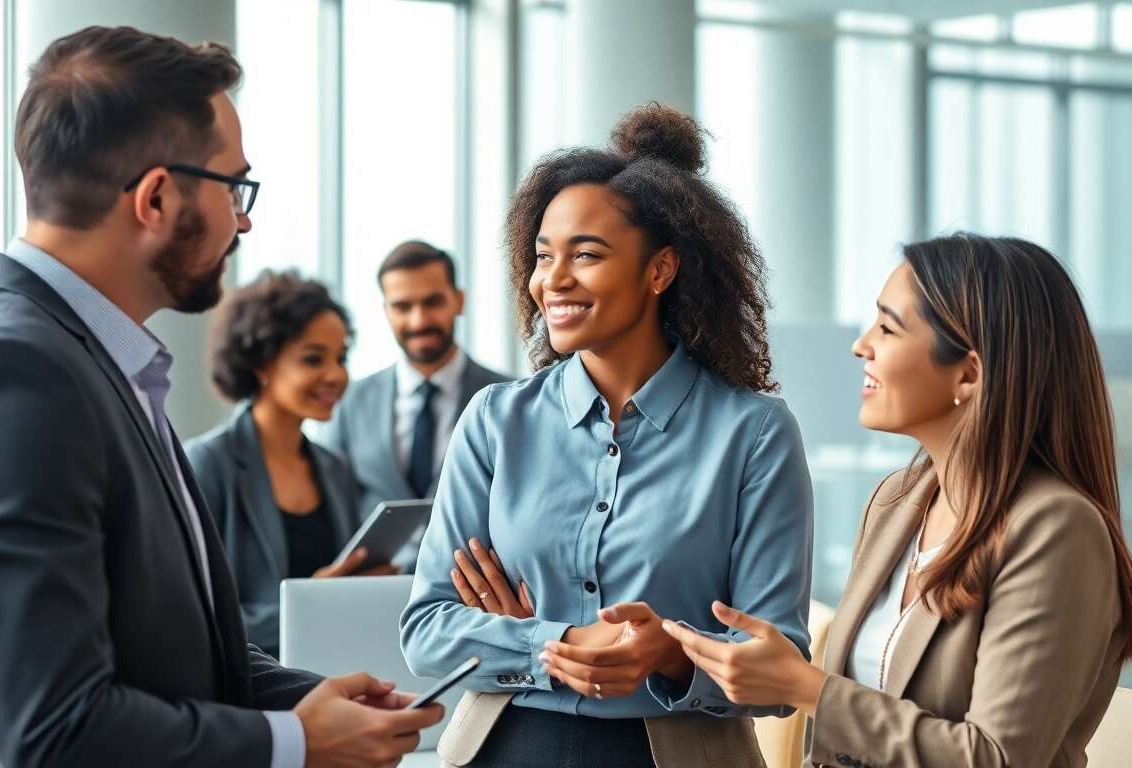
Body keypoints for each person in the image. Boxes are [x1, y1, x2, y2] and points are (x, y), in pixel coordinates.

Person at [0, 26, 440, 768]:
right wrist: (298, 743)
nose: (244, 219)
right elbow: (52, 731)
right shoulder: (12, 378)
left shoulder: (88, 359)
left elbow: (162, 655)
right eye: (234, 187)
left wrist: (307, 702)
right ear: (157, 197)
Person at [399, 103, 814, 768]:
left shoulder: (754, 434)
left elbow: (781, 664)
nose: (552, 281)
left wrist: (672, 657)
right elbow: (427, 630)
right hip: (505, 747)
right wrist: (556, 643)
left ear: (660, 270)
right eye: (542, 256)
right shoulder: (495, 421)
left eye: (586, 255)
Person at [662, 233, 1132, 768]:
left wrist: (809, 689)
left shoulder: (1056, 528)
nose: (862, 345)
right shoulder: (895, 503)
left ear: (969, 373)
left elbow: (997, 758)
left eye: (888, 327)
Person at [186, 270, 398, 658]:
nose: (335, 375)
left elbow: (343, 601)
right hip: (247, 691)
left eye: (341, 358)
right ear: (261, 363)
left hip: (327, 675)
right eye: (313, 358)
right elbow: (192, 615)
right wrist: (311, 600)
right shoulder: (207, 464)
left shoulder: (333, 468)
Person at [315, 241, 509, 539]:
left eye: (433, 302)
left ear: (459, 301)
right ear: (386, 311)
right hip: (372, 584)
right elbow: (332, 508)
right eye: (402, 306)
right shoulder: (349, 401)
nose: (419, 320)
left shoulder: (509, 397)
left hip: (475, 581)